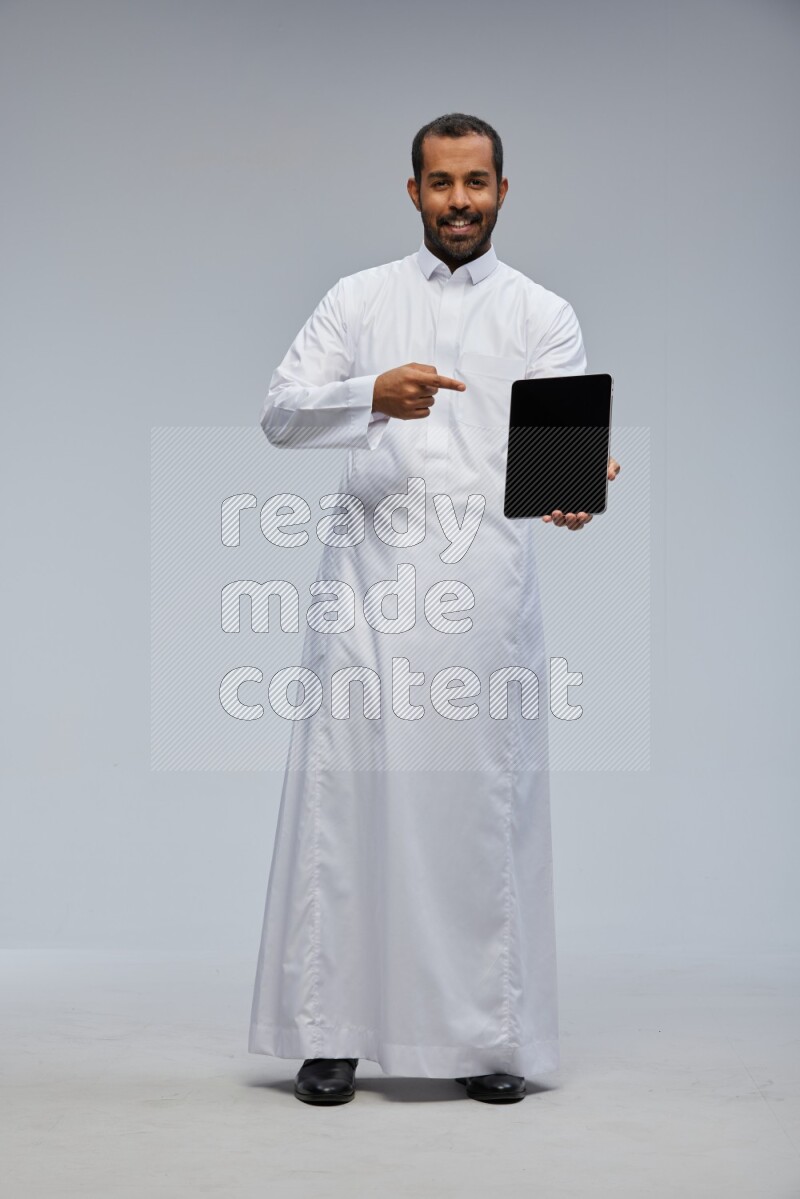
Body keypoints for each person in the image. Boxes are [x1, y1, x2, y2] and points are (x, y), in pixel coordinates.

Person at [249, 112, 620, 1106]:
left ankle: (486, 1033)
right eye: (440, 182)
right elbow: (281, 409)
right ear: (410, 191)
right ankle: (330, 1032)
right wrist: (370, 392)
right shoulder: (357, 298)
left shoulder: (542, 314)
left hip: (486, 597)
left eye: (476, 182)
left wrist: (573, 488)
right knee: (350, 803)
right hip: (369, 590)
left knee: (478, 814)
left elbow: (551, 469)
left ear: (502, 190)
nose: (458, 200)